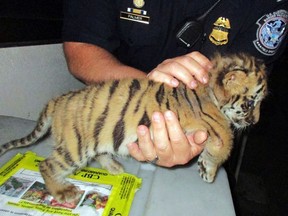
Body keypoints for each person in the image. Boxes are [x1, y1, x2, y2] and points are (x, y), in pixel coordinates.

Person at [62, 0, 288, 167]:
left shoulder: (268, 6)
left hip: (200, 134)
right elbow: (81, 51)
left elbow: (242, 94)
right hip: (114, 115)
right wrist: (150, 91)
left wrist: (197, 137)